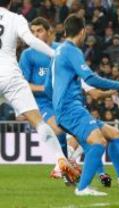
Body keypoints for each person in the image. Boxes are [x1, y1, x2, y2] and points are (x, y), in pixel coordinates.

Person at [47, 15, 119, 196]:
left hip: (67, 108)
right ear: (82, 31)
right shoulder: (72, 50)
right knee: (98, 142)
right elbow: (90, 78)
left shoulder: (58, 52)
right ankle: (82, 188)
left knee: (114, 134)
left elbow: (47, 86)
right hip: (70, 108)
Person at [19, 17, 115, 186]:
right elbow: (22, 83)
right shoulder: (28, 55)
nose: (35, 35)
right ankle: (66, 169)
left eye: (39, 31)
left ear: (50, 32)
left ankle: (100, 173)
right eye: (32, 32)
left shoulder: (62, 50)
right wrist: (45, 89)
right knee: (58, 129)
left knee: (83, 134)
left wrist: (91, 90)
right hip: (44, 104)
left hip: (65, 100)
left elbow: (78, 74)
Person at [0, 0, 79, 181]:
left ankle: (63, 161)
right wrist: (54, 54)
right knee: (38, 122)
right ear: (10, 2)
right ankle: (60, 159)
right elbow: (30, 40)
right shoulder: (15, 18)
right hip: (11, 77)